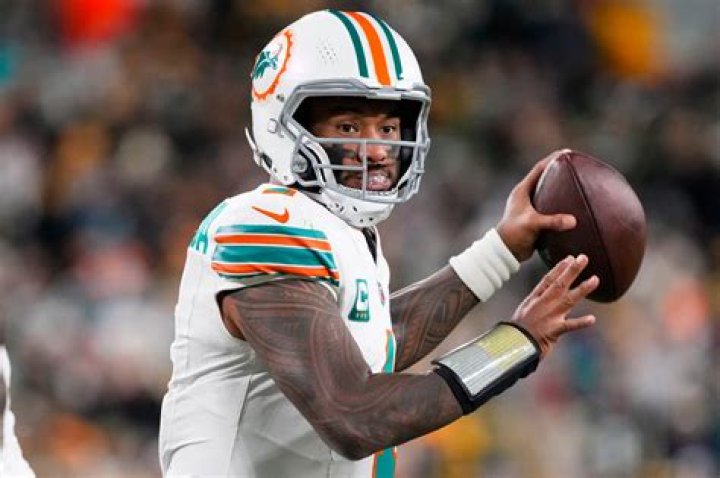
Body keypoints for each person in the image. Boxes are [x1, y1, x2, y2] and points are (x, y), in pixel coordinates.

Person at [158, 9, 598, 478]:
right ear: (281, 125)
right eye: (349, 126)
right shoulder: (262, 224)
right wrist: (513, 344)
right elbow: (354, 416)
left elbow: (374, 345)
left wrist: (502, 250)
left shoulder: (342, 231)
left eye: (387, 128)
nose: (379, 149)